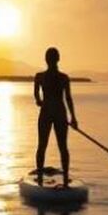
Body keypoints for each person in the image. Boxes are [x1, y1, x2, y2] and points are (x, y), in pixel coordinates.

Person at [33, 47, 78, 187]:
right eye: (51, 58)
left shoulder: (41, 77)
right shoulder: (61, 78)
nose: (51, 60)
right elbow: (68, 99)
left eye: (51, 58)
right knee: (53, 146)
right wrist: (73, 118)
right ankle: (60, 178)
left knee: (49, 146)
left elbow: (37, 96)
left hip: (53, 113)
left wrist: (40, 101)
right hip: (54, 113)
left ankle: (44, 177)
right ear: (57, 59)